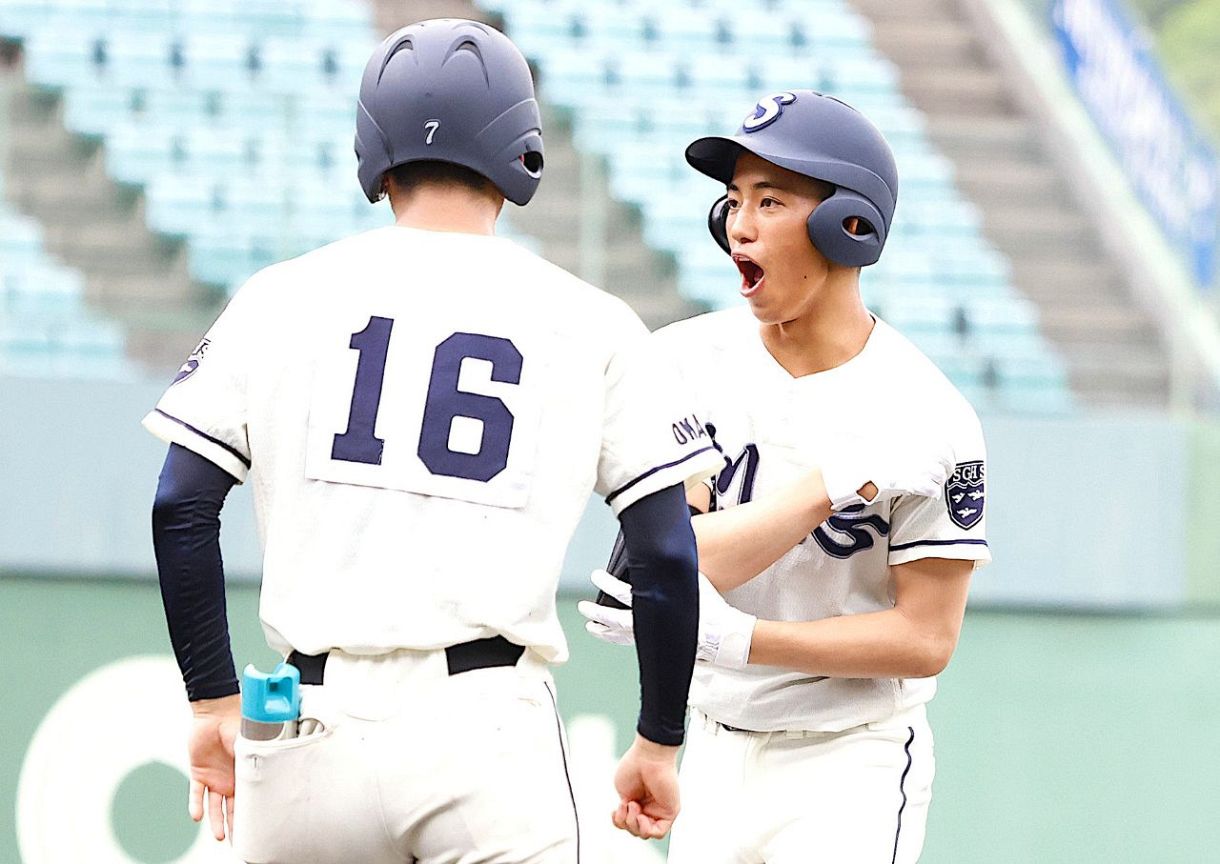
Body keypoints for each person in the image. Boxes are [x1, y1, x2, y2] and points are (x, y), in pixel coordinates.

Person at [145, 19, 722, 862]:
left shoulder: (279, 296)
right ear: (521, 153)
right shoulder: (591, 320)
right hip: (483, 722)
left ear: (374, 154)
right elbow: (666, 553)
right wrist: (659, 742)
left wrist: (209, 699)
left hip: (309, 721)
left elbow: (179, 508)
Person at [579, 90, 989, 862]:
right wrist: (825, 487)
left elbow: (926, 637)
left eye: (770, 200)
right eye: (734, 201)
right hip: (714, 747)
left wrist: (745, 640)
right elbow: (668, 560)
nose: (740, 224)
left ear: (850, 225)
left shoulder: (928, 411)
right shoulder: (679, 362)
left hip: (852, 757)